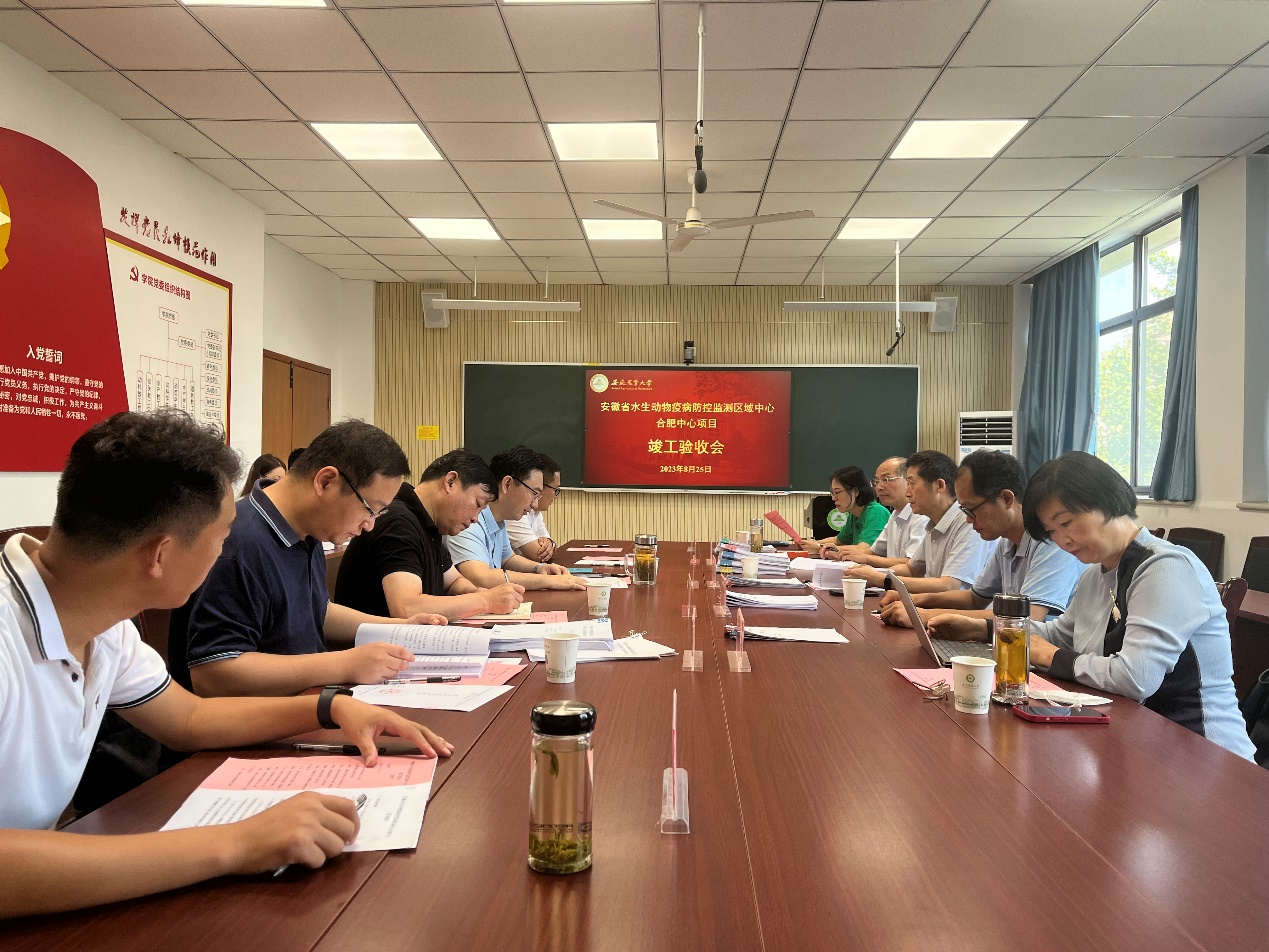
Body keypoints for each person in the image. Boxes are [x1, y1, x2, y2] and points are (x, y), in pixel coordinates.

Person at [0, 410, 452, 919]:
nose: (225, 551)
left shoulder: (105, 626)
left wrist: (329, 709)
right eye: (220, 536)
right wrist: (235, 843)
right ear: (160, 555)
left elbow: (187, 719)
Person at [930, 451, 1256, 760]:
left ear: (1107, 502)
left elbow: (1135, 678)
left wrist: (1051, 656)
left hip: (1201, 752)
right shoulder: (1096, 575)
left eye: (1067, 522)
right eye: (1052, 531)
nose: (1062, 540)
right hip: (1137, 740)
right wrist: (985, 629)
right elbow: (1062, 634)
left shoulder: (1165, 567)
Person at [169, 421, 449, 698]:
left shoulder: (308, 530)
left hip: (304, 703)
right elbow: (213, 674)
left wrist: (401, 627)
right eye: (370, 509)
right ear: (326, 481)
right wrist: (342, 664)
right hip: (253, 720)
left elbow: (317, 611)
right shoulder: (240, 543)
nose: (369, 525)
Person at [877, 449, 1081, 631]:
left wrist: (924, 615)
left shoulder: (1049, 540)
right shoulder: (1007, 541)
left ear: (1006, 499)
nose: (967, 519)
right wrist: (913, 599)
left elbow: (1028, 618)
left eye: (971, 509)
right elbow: (974, 598)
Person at [334, 448, 525, 620]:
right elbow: (407, 607)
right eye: (477, 504)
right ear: (450, 482)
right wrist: (485, 601)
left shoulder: (429, 524)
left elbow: (453, 582)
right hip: (372, 645)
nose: (475, 518)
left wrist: (476, 593)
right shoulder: (399, 522)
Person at [847, 450, 991, 594]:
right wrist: (869, 573)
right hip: (934, 604)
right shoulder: (934, 522)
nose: (907, 492)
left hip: (955, 608)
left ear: (939, 486)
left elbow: (948, 585)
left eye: (911, 483)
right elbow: (911, 569)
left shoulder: (967, 521)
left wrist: (880, 579)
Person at [446, 446, 586, 593]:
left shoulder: (499, 519)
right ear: (507, 484)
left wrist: (540, 568)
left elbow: (508, 559)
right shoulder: (470, 518)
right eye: (534, 493)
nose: (535, 505)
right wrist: (548, 581)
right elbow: (480, 577)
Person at [830, 456, 927, 570]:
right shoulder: (895, 515)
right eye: (876, 481)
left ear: (908, 480)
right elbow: (874, 551)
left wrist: (866, 559)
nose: (879, 487)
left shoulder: (921, 516)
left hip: (903, 580)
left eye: (886, 479)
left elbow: (912, 564)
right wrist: (840, 551)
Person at [809, 466, 890, 560]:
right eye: (833, 493)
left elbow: (865, 548)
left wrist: (821, 547)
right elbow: (839, 540)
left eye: (837, 492)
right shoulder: (854, 514)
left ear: (855, 491)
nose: (833, 498)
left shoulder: (877, 512)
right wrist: (814, 544)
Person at [508, 453, 560, 563]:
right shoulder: (514, 511)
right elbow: (538, 554)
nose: (556, 496)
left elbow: (551, 546)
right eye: (555, 490)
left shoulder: (535, 511)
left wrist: (550, 543)